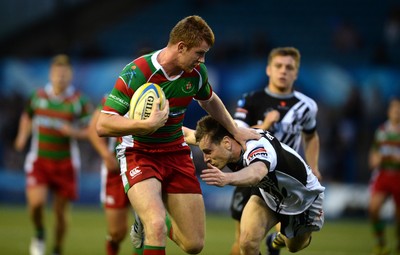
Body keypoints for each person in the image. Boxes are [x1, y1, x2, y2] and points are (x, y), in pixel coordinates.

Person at [95, 15, 258, 255]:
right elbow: (103, 124)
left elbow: (209, 100)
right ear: (181, 47)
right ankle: (151, 220)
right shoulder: (137, 72)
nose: (202, 60)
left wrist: (234, 129)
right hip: (139, 153)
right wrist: (145, 124)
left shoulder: (197, 72)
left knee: (194, 244)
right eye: (199, 53)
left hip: (176, 153)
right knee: (156, 225)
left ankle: (147, 219)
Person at [230, 46, 322, 255]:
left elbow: (311, 136)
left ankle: (277, 240)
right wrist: (265, 124)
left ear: (296, 73)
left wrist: (314, 166)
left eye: (289, 67)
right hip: (254, 175)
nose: (283, 71)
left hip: (289, 179)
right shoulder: (251, 99)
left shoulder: (306, 106)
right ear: (268, 70)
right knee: (243, 242)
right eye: (278, 66)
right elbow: (237, 133)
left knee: (295, 245)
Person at [195, 115, 325, 255]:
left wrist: (227, 178)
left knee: (293, 246)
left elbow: (257, 172)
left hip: (303, 200)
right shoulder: (225, 140)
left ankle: (276, 240)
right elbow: (187, 135)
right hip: (269, 194)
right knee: (247, 243)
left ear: (227, 143)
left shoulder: (256, 147)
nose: (205, 159)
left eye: (208, 152)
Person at [14, 54, 93, 255]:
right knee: (36, 204)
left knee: (60, 213)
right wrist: (22, 136)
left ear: (71, 76)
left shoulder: (79, 101)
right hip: (39, 160)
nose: (61, 78)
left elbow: (92, 129)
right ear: (50, 74)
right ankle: (39, 233)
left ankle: (57, 249)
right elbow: (27, 116)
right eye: (58, 74)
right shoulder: (38, 97)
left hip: (66, 163)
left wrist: (73, 132)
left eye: (65, 74)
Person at [88, 95, 130, 255]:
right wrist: (106, 155)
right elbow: (93, 129)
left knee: (149, 225)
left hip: (144, 167)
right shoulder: (113, 98)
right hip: (116, 171)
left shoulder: (156, 96)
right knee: (117, 232)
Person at [368, 97, 400, 255]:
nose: (396, 112)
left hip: (399, 176)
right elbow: (373, 155)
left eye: (399, 109)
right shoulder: (381, 131)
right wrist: (375, 159)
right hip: (383, 174)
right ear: (389, 111)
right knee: (373, 208)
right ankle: (381, 244)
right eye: (394, 108)